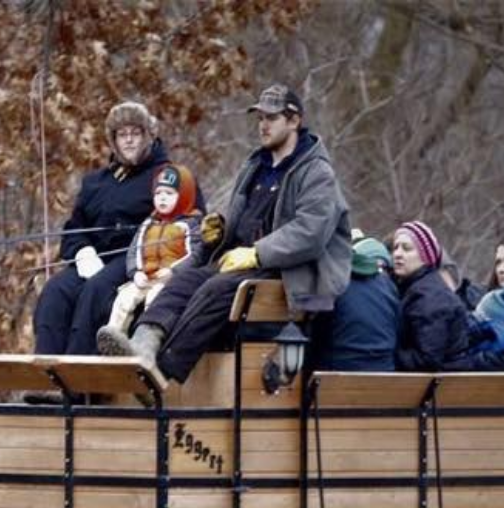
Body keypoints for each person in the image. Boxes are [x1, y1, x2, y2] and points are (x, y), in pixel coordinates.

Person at [96, 84, 351, 384]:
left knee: (215, 290)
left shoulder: (316, 171)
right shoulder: (256, 165)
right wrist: (219, 231)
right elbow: (244, 223)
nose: (263, 125)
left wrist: (257, 253)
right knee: (182, 282)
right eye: (260, 118)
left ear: (294, 121)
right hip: (239, 261)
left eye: (271, 118)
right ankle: (142, 349)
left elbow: (310, 232)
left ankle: (160, 372)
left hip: (289, 271)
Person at [34, 101, 175, 354]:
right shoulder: (96, 182)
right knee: (55, 291)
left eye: (135, 133)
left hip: (137, 259)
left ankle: (77, 372)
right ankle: (45, 367)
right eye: (122, 134)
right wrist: (83, 252)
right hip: (94, 259)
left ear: (148, 136)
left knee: (96, 291)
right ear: (113, 140)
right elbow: (75, 227)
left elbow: (185, 220)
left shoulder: (166, 176)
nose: (129, 140)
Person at [97, 164, 203, 342]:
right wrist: (136, 272)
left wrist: (173, 272)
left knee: (155, 300)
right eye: (158, 193)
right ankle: (113, 337)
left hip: (169, 281)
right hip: (146, 277)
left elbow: (196, 255)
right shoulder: (148, 224)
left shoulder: (190, 225)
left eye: (169, 194)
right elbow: (134, 251)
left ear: (184, 196)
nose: (162, 198)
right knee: (124, 298)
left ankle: (143, 341)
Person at [309, 235, 399, 371]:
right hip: (385, 372)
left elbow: (316, 335)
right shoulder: (388, 285)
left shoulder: (332, 282)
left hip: (337, 374)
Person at [392, 221, 472, 371]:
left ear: (426, 256)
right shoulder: (416, 288)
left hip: (441, 383)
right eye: (395, 247)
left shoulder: (429, 296)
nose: (397, 254)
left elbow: (427, 359)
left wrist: (387, 354)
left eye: (407, 248)